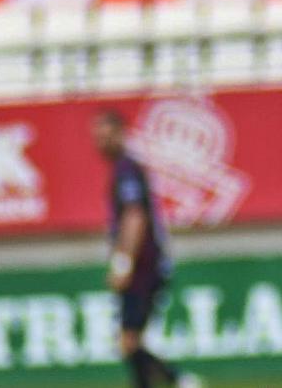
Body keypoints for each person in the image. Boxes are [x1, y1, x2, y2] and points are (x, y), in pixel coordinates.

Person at [94, 109, 200, 388]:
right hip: (145, 266)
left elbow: (135, 217)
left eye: (106, 136)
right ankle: (177, 380)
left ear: (121, 134)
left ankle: (179, 379)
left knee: (129, 340)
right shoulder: (124, 169)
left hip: (143, 267)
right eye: (97, 138)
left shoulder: (127, 170)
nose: (100, 143)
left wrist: (123, 264)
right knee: (130, 341)